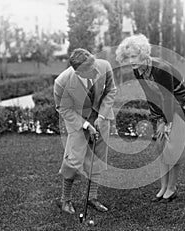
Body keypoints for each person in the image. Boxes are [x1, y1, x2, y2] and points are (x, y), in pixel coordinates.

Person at [115, 34, 185, 203]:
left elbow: (168, 97)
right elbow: (151, 95)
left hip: (180, 105)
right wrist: (159, 120)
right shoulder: (138, 69)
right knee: (161, 145)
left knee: (173, 147)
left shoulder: (161, 69)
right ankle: (163, 187)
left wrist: (167, 123)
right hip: (165, 107)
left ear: (143, 54)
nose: (131, 61)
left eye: (134, 56)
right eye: (128, 57)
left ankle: (172, 188)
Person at [54, 48, 117, 214]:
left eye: (94, 64)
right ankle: (65, 200)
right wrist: (85, 125)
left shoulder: (104, 66)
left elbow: (111, 90)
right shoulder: (62, 82)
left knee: (97, 160)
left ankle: (92, 197)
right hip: (78, 123)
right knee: (73, 162)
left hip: (101, 119)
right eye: (90, 69)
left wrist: (102, 117)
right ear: (78, 71)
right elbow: (63, 108)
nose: (96, 70)